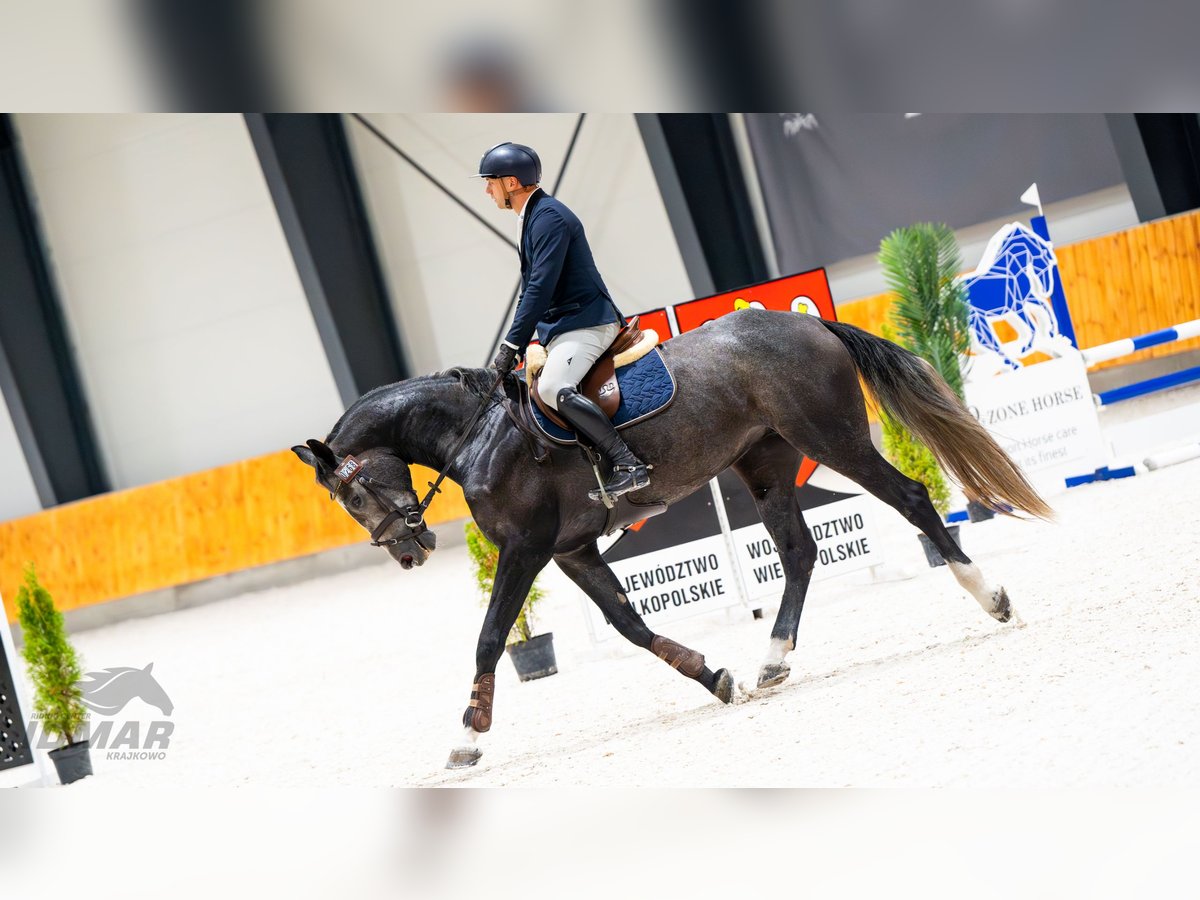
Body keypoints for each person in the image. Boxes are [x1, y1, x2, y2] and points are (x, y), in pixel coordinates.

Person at [476, 141, 651, 500]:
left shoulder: (549, 218)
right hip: (564, 328)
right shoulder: (534, 218)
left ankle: (627, 464)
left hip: (587, 323)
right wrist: (516, 341)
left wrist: (512, 343)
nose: (487, 190)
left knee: (554, 387)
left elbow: (540, 287)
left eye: (490, 181)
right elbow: (530, 290)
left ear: (511, 183)